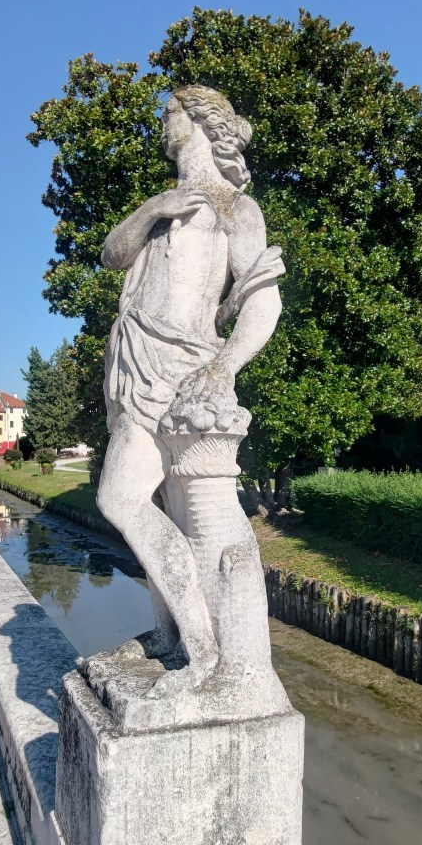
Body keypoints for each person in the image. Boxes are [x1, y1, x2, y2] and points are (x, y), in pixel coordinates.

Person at [97, 85, 284, 691]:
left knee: (121, 500)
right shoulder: (164, 203)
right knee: (153, 505)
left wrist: (224, 367)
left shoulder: (236, 208)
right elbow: (111, 255)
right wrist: (154, 210)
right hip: (133, 364)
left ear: (202, 123)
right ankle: (172, 636)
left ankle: (203, 650)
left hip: (180, 371)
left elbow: (263, 302)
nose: (164, 122)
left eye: (171, 113)